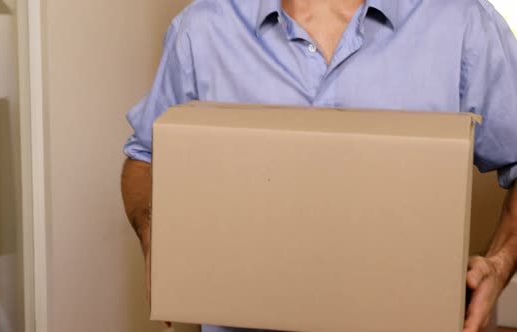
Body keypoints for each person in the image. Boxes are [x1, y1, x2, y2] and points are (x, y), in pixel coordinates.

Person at [120, 0, 517, 331]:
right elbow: (145, 158)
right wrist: (157, 236)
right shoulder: (203, 29)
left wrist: (498, 268)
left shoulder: (461, 24)